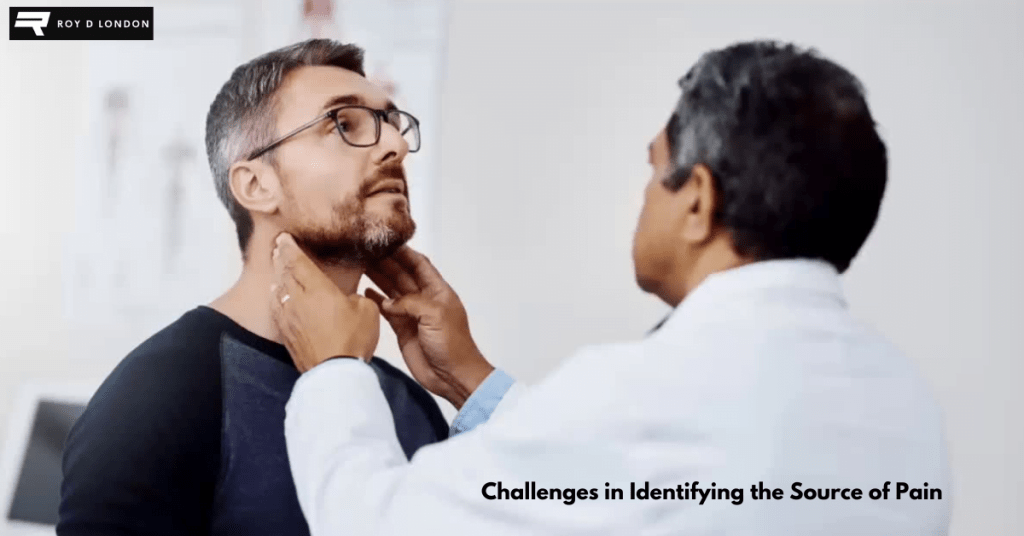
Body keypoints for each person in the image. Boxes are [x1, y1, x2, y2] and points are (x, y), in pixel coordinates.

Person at [271, 41, 952, 535]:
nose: (645, 197)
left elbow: (377, 521)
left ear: (698, 202)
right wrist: (474, 383)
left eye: (656, 172)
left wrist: (334, 371)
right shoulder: (904, 399)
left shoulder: (654, 394)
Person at [58, 39, 451, 536]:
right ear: (256, 185)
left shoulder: (407, 404)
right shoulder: (156, 398)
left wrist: (470, 381)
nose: (394, 144)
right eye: (343, 124)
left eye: (392, 122)